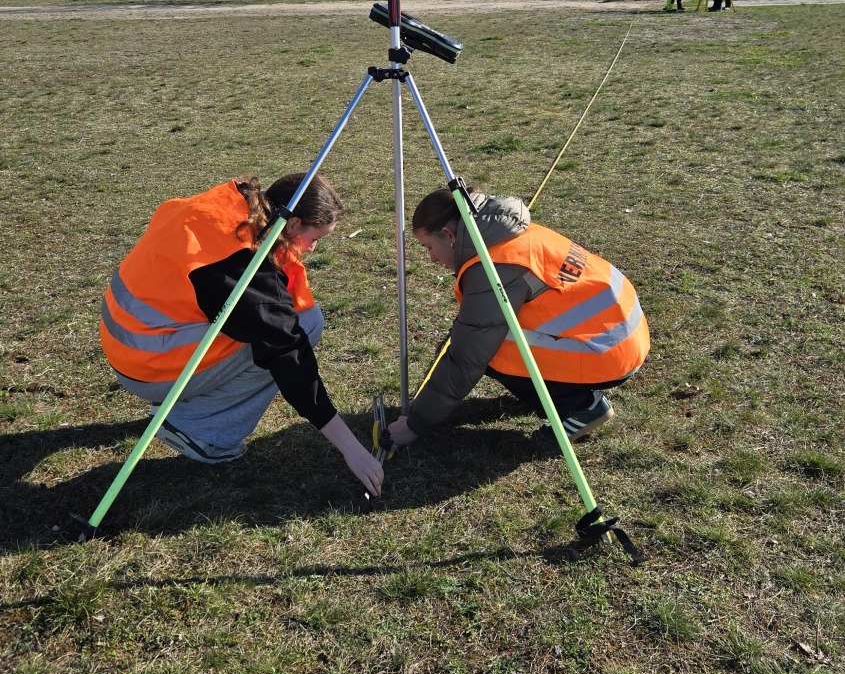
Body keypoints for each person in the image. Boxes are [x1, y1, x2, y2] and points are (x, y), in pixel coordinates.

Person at [100, 172, 384, 495]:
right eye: (315, 238)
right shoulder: (242, 268)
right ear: (292, 226)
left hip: (125, 334)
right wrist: (352, 449)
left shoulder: (235, 203)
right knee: (302, 326)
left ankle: (188, 411)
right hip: (144, 361)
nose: (314, 248)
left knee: (293, 320)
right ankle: (196, 428)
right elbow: (289, 356)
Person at [388, 187, 650, 451]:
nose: (431, 258)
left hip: (607, 351)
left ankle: (580, 407)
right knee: (486, 335)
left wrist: (416, 424)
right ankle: (549, 389)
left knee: (489, 348)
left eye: (429, 247)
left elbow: (467, 357)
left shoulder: (493, 267)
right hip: (626, 330)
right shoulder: (508, 230)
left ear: (449, 235)